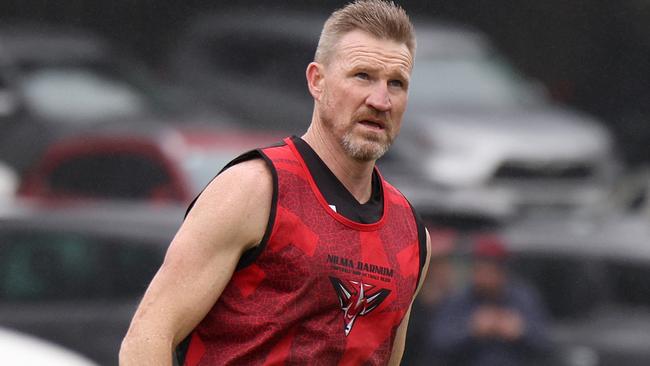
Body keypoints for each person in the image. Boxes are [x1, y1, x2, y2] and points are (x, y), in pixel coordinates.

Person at [119, 1, 431, 365]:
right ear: (317, 80)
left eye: (396, 84)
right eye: (362, 76)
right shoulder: (253, 190)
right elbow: (148, 335)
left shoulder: (409, 234)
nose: (380, 100)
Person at [430, 236, 549, 366]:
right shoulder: (459, 300)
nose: (481, 277)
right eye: (477, 270)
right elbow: (438, 341)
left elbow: (545, 342)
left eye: (488, 271)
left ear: (502, 273)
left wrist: (520, 331)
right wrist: (471, 329)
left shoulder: (522, 298)